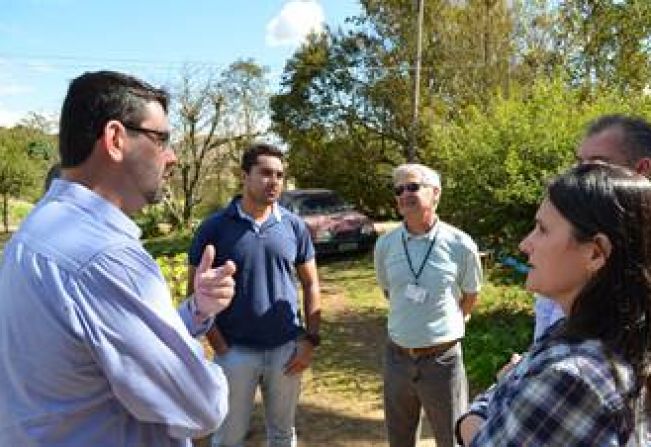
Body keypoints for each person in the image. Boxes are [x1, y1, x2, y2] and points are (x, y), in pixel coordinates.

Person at [0, 71, 236, 447]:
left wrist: (195, 312)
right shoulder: (103, 257)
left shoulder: (34, 234)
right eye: (161, 139)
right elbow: (202, 405)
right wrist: (199, 365)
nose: (172, 157)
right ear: (115, 139)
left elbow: (96, 354)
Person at [457, 163, 651, 446]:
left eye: (542, 230)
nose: (525, 244)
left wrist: (472, 418)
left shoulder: (572, 379)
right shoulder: (589, 333)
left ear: (595, 254)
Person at [187, 143, 321, 447]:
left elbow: (311, 283)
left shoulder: (294, 226)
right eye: (265, 173)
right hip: (235, 352)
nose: (274, 181)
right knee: (229, 437)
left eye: (280, 175)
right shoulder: (215, 227)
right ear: (244, 176)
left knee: (283, 434)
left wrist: (309, 340)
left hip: (285, 351)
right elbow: (194, 290)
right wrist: (219, 344)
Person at [374, 163, 482, 447]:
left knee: (452, 439)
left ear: (436, 194)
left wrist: (451, 321)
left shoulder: (460, 244)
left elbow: (470, 295)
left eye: (413, 187)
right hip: (397, 358)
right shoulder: (385, 245)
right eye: (399, 190)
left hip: (442, 361)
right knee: (399, 439)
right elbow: (390, 292)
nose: (405, 194)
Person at [534, 114, 651, 340]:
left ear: (642, 170)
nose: (578, 176)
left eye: (597, 165)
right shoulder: (566, 245)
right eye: (579, 164)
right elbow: (546, 325)